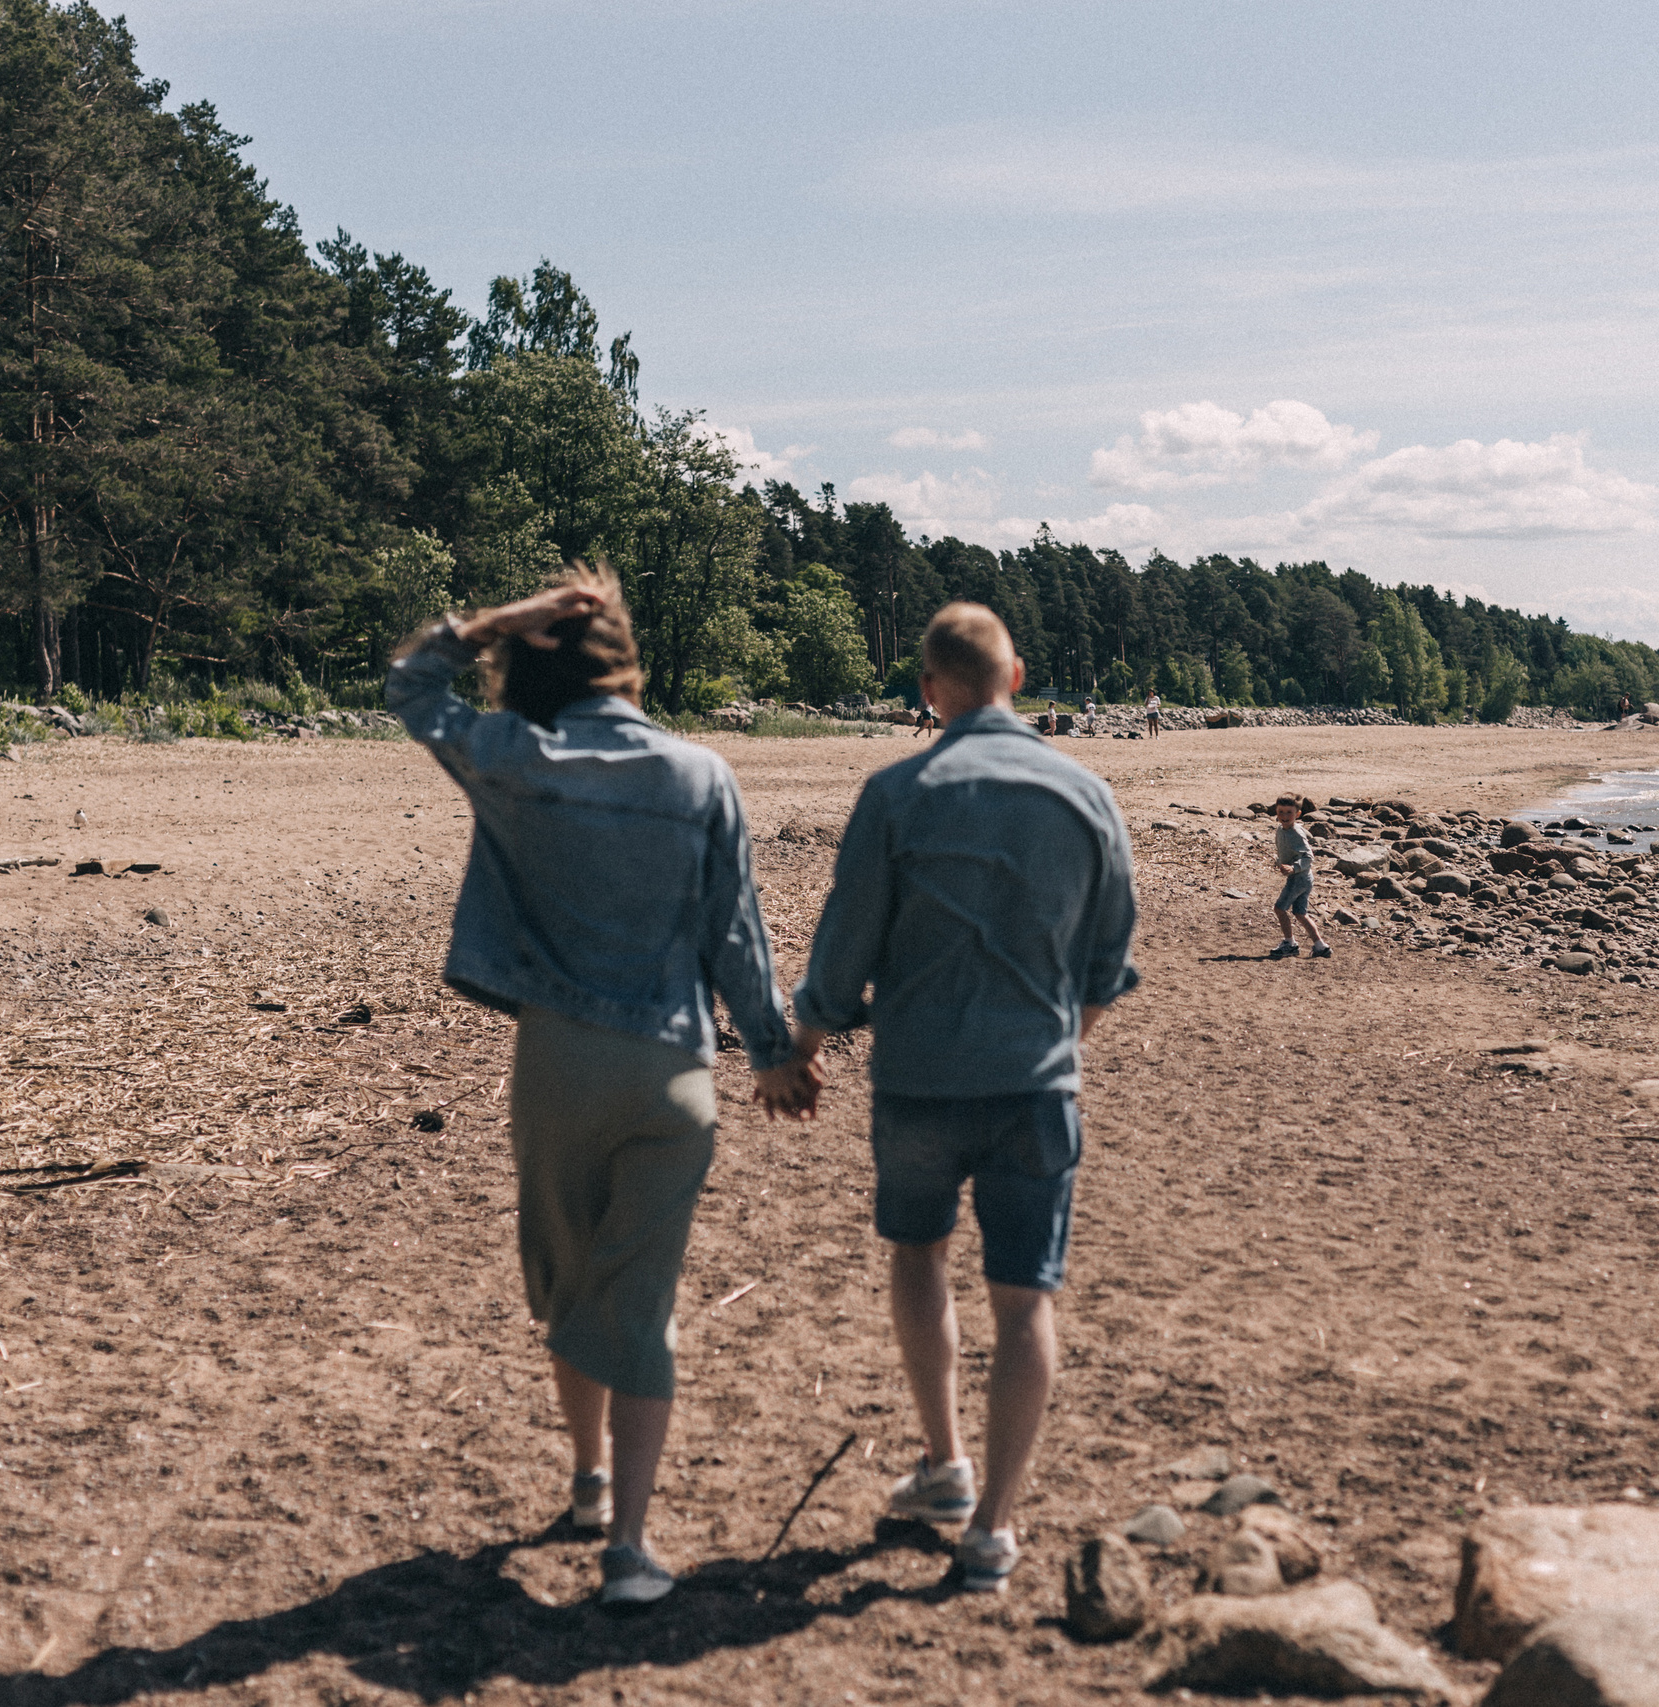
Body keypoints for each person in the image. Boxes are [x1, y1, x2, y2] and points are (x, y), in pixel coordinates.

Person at [388, 567, 819, 1609]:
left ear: (539, 664)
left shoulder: (516, 758)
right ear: (631, 661)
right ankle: (628, 1547)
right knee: (641, 1304)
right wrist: (772, 1052)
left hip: (556, 1060)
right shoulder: (701, 774)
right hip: (673, 1069)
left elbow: (411, 685)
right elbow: (736, 934)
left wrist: (497, 624)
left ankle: (585, 1480)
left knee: (568, 1283)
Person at [787, 602, 1139, 1594]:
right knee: (1024, 1297)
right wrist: (1056, 1050)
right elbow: (1110, 968)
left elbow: (841, 949)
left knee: (918, 1255)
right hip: (1034, 1084)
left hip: (918, 1081)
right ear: (1016, 677)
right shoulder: (1085, 795)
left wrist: (802, 1048)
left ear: (930, 692)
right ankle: (992, 1528)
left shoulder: (897, 791)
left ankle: (945, 1462)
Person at [1267, 794, 1330, 960]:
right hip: (1303, 878)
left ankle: (1290, 944)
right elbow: (1286, 851)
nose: (1285, 816)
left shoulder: (1296, 832)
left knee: (1280, 909)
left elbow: (1308, 857)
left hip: (1299, 878)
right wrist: (1280, 862)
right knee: (1300, 913)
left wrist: (1294, 868)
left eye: (1289, 812)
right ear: (1276, 811)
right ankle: (1320, 946)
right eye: (1281, 812)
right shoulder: (1281, 829)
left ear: (1298, 814)